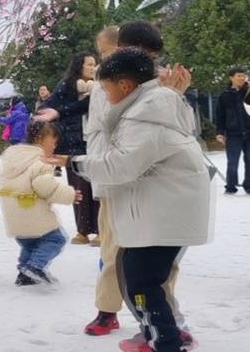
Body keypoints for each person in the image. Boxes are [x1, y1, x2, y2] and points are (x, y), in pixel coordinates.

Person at [45, 49, 212, 352]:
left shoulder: (148, 114)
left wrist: (74, 162)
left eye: (106, 90)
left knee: (142, 281)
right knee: (136, 274)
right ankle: (158, 337)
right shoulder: (151, 104)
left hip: (165, 211)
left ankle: (165, 342)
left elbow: (121, 165)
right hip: (162, 207)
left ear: (125, 86)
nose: (105, 98)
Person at [79, 21, 196, 346]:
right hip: (116, 181)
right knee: (118, 255)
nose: (150, 63)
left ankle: (165, 321)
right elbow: (118, 126)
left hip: (149, 184)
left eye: (153, 57)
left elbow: (178, 131)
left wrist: (171, 96)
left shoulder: (150, 83)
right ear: (123, 49)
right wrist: (165, 95)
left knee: (157, 261)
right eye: (144, 55)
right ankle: (108, 310)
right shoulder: (116, 80)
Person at [0, 121, 80, 285]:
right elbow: (45, 188)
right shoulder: (40, 162)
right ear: (40, 139)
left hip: (14, 217)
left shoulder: (13, 159)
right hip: (33, 215)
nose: (55, 146)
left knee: (30, 244)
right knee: (57, 239)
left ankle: (24, 273)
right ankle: (34, 267)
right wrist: (70, 195)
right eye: (53, 141)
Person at [39, 53, 99, 246]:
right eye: (89, 64)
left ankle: (100, 230)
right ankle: (82, 230)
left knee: (97, 188)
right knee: (78, 188)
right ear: (79, 66)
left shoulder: (100, 86)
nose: (92, 67)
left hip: (95, 143)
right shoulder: (66, 85)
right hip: (74, 143)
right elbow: (51, 107)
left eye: (94, 64)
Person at [215, 66, 250, 198]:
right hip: (233, 133)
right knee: (232, 161)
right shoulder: (224, 95)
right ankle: (230, 187)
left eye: (243, 75)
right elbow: (220, 115)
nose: (241, 78)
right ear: (231, 78)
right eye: (238, 76)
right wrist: (220, 132)